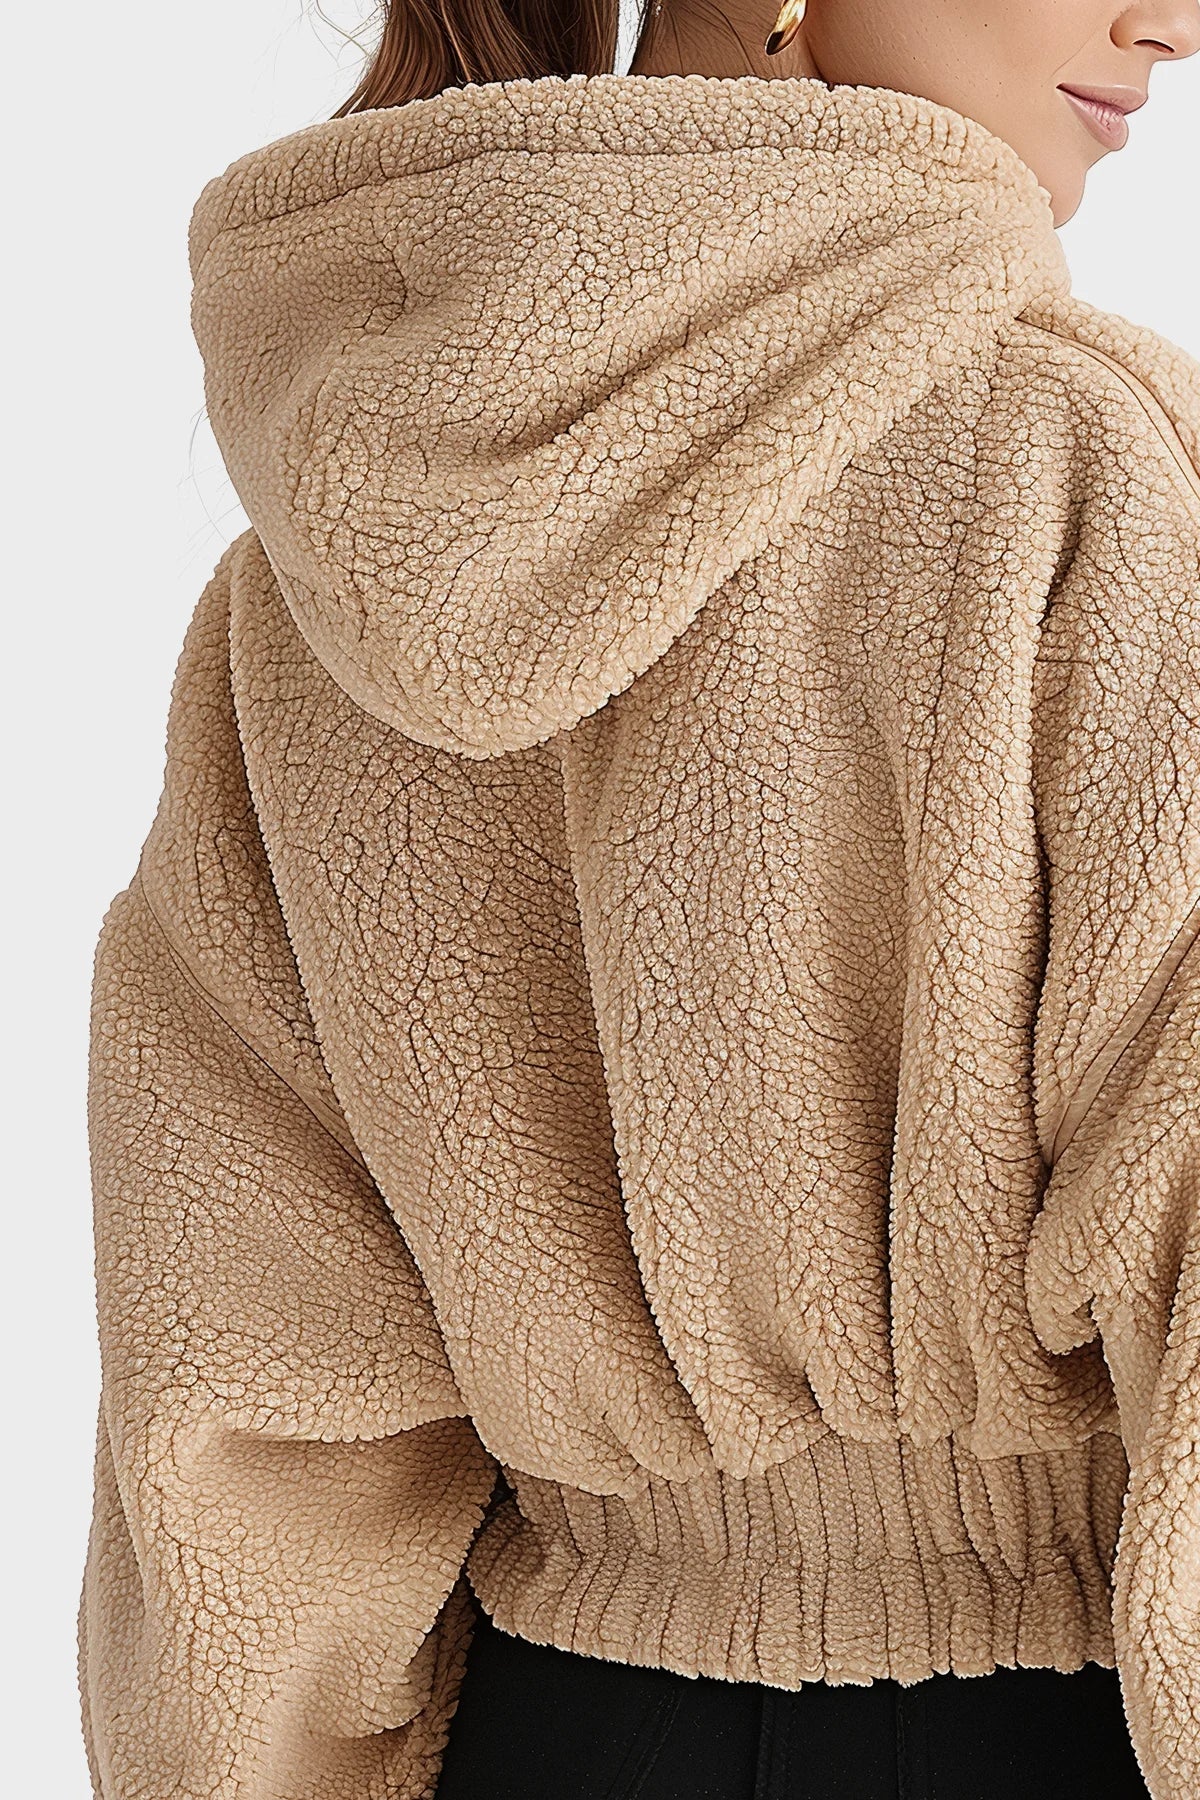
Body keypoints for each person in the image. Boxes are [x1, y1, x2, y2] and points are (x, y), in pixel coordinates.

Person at [75, 0, 1200, 1796]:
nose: (1172, 24)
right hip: (1055, 1732)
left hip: (553, 1737)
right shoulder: (1080, 477)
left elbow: (243, 1376)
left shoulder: (309, 586)